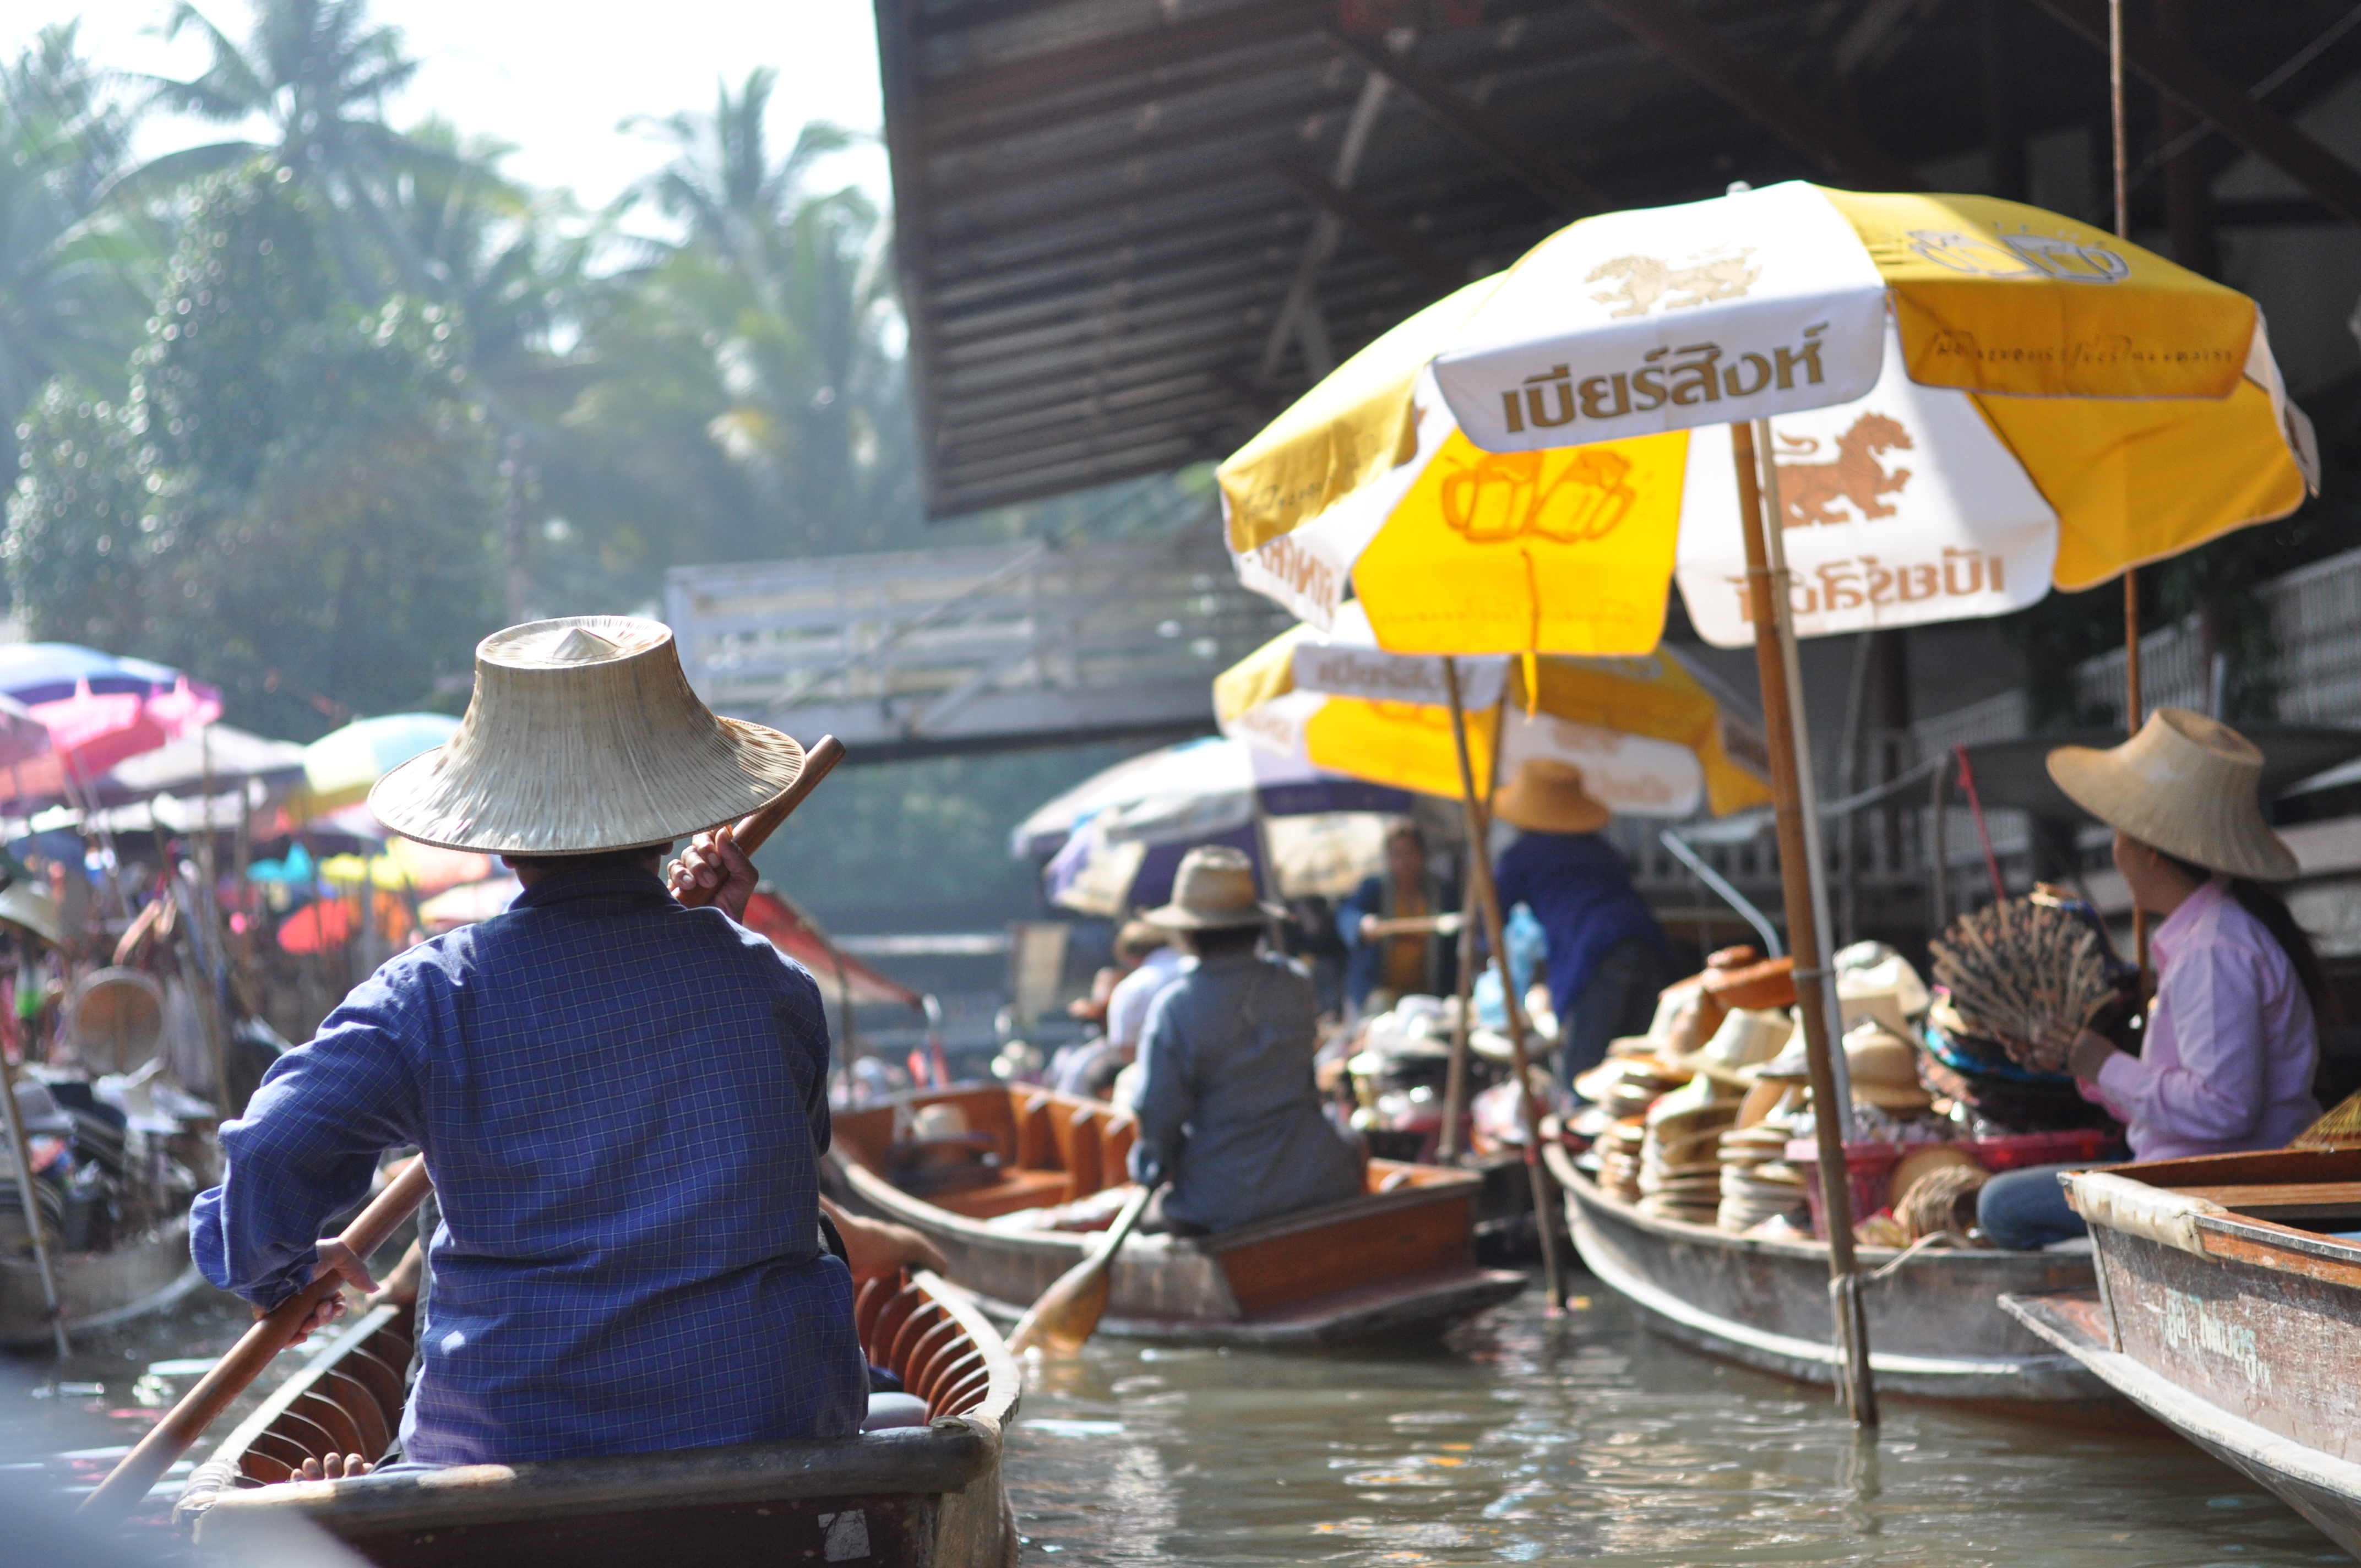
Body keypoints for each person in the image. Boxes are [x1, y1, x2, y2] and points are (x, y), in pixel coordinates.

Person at [191, 616, 929, 1470]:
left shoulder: (430, 998)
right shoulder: (773, 989)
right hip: (769, 1422)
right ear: (668, 823)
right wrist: (710, 945)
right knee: (902, 1412)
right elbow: (780, 1184)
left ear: (502, 839)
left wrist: (273, 1275)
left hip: (505, 1444)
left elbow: (272, 1160)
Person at [1978, 709, 2332, 1250]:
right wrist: (2085, 1060)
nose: (2114, 852)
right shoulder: (2209, 936)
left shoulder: (2213, 948)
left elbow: (2225, 1108)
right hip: (2187, 1171)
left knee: (1999, 1206)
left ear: (2146, 851)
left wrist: (2103, 1063)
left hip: (2209, 1187)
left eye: (2118, 835)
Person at [1127, 846, 1364, 1235]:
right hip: (1318, 1177)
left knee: (1152, 1219)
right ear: (1254, 924)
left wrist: (1151, 1169)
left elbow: (1158, 1111)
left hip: (1224, 1200)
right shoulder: (1296, 983)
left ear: (1190, 931)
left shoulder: (1177, 1007)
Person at [1489, 760, 1671, 1086]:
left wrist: (1480, 959)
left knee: (1583, 1081)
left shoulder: (1522, 854)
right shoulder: (1602, 850)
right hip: (1648, 948)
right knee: (1636, 1078)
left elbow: (1489, 919)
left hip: (1596, 957)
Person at [1336, 822, 1457, 1014]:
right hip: (1379, 997)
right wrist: (1363, 924)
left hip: (1425, 997)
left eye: (1410, 852)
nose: (1404, 861)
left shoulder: (1441, 894)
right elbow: (1347, 914)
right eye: (1397, 854)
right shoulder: (1375, 889)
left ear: (1422, 855)